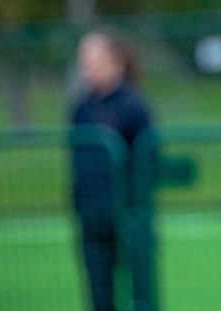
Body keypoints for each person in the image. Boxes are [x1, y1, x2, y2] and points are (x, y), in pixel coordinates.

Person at [69, 28, 155, 311]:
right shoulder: (81, 108)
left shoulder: (133, 106)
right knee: (99, 295)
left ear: (115, 61)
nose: (85, 68)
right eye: (83, 61)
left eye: (92, 60)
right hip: (91, 216)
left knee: (141, 292)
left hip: (128, 215)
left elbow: (148, 160)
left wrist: (133, 206)